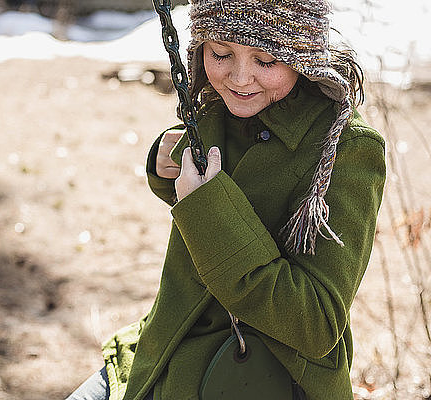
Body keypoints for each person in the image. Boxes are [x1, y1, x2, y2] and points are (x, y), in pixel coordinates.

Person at [66, 0, 385, 399]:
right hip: (163, 349)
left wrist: (208, 208)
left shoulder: (347, 149)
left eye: (265, 60)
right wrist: (167, 166)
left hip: (263, 377)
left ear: (302, 58)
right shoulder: (219, 108)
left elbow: (316, 323)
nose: (239, 76)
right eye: (220, 53)